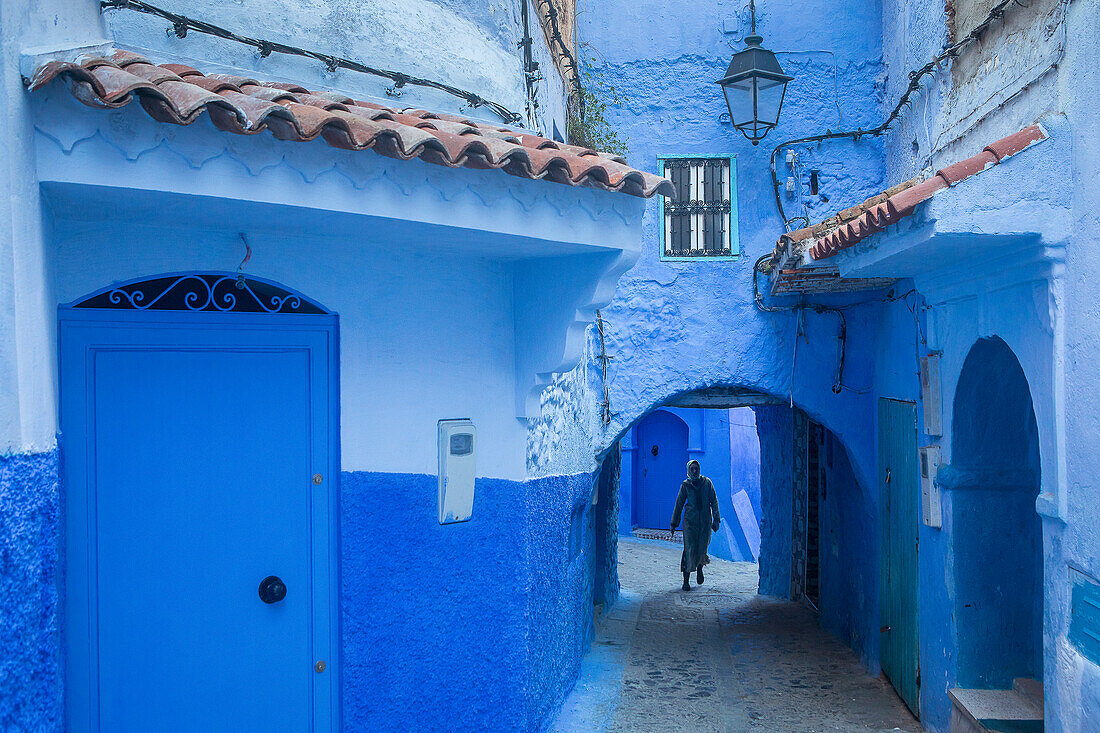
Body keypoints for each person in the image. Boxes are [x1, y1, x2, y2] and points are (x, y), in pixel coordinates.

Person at [670, 460, 721, 591]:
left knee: (702, 548)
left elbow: (714, 501)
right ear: (688, 470)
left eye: (696, 468)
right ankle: (686, 581)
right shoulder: (686, 485)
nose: (694, 471)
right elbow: (679, 504)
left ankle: (699, 568)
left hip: (705, 522)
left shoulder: (707, 483)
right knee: (689, 549)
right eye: (692, 469)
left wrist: (716, 519)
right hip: (690, 523)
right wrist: (674, 524)